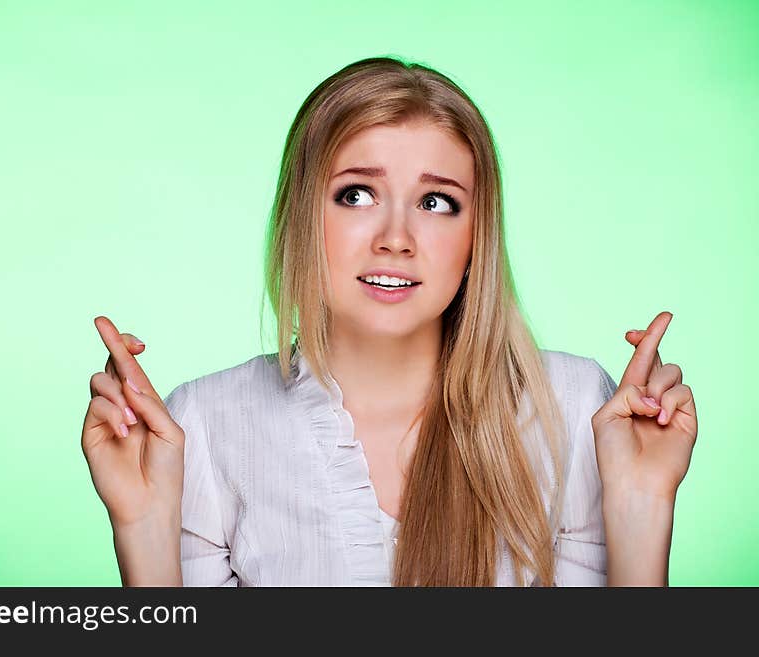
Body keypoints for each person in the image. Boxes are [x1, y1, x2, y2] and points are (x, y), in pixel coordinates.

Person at [81, 57, 698, 587]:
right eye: (356, 194)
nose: (396, 239)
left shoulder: (570, 407)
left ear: (476, 235)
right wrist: (143, 528)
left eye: (436, 203)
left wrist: (642, 507)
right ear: (303, 215)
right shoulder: (206, 424)